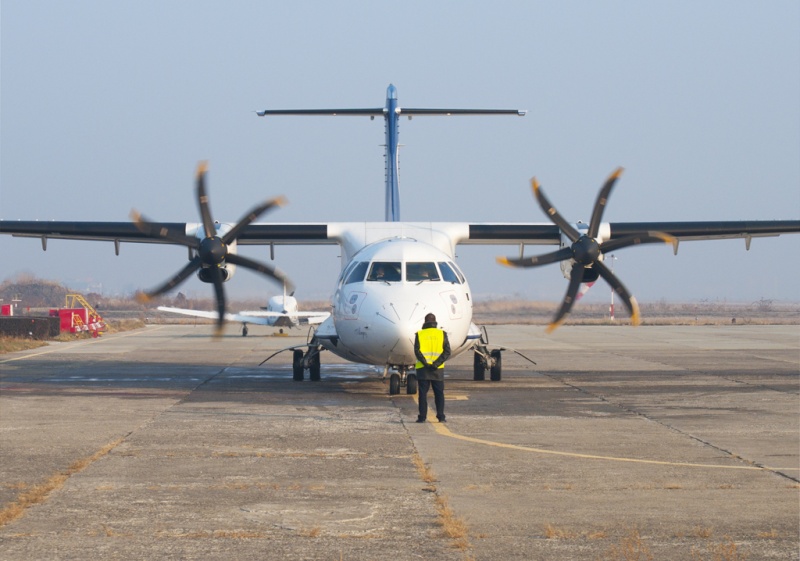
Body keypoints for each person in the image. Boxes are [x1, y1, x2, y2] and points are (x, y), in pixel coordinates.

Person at [413, 313, 451, 423]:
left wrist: (426, 363)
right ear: (435, 322)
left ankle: (422, 417)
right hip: (437, 370)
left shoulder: (419, 334)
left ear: (425, 322)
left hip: (423, 369)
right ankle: (441, 416)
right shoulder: (442, 334)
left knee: (422, 395)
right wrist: (436, 363)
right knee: (439, 394)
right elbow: (447, 351)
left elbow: (417, 351)